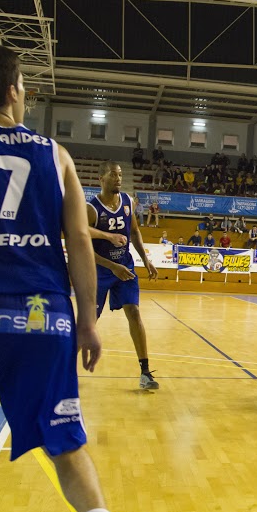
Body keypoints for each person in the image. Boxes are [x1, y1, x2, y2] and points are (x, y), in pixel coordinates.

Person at [0, 44, 111, 512]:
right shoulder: (57, 155)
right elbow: (81, 244)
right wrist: (87, 323)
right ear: (12, 92)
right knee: (66, 446)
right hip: (44, 319)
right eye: (24, 85)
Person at [87, 162, 159, 390]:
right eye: (113, 175)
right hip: (99, 270)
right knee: (88, 323)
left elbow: (135, 231)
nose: (118, 178)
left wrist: (145, 259)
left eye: (120, 175)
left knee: (134, 312)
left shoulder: (127, 202)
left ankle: (145, 372)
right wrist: (111, 266)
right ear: (101, 178)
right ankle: (63, 370)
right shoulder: (92, 208)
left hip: (125, 266)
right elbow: (85, 247)